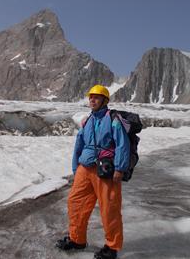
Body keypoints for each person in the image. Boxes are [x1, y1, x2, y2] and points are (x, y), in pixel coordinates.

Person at [56, 84, 130, 259]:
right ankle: (77, 239)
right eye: (90, 97)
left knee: (109, 209)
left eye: (96, 97)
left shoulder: (113, 119)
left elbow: (122, 144)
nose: (92, 100)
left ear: (104, 100)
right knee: (76, 203)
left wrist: (120, 168)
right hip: (85, 168)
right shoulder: (88, 120)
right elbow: (79, 144)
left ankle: (111, 248)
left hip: (105, 170)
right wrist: (76, 168)